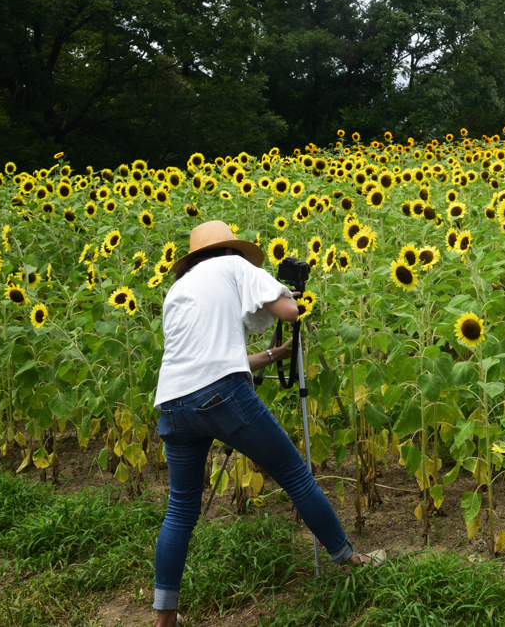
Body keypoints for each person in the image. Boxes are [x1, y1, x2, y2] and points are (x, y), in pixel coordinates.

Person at [151, 221, 383, 627]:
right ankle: (350, 561)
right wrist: (287, 293)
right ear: (229, 249)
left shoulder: (178, 289)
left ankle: (164, 618)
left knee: (180, 510)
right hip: (223, 396)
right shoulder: (235, 267)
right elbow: (290, 310)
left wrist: (276, 354)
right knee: (295, 476)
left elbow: (210, 357)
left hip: (173, 404)